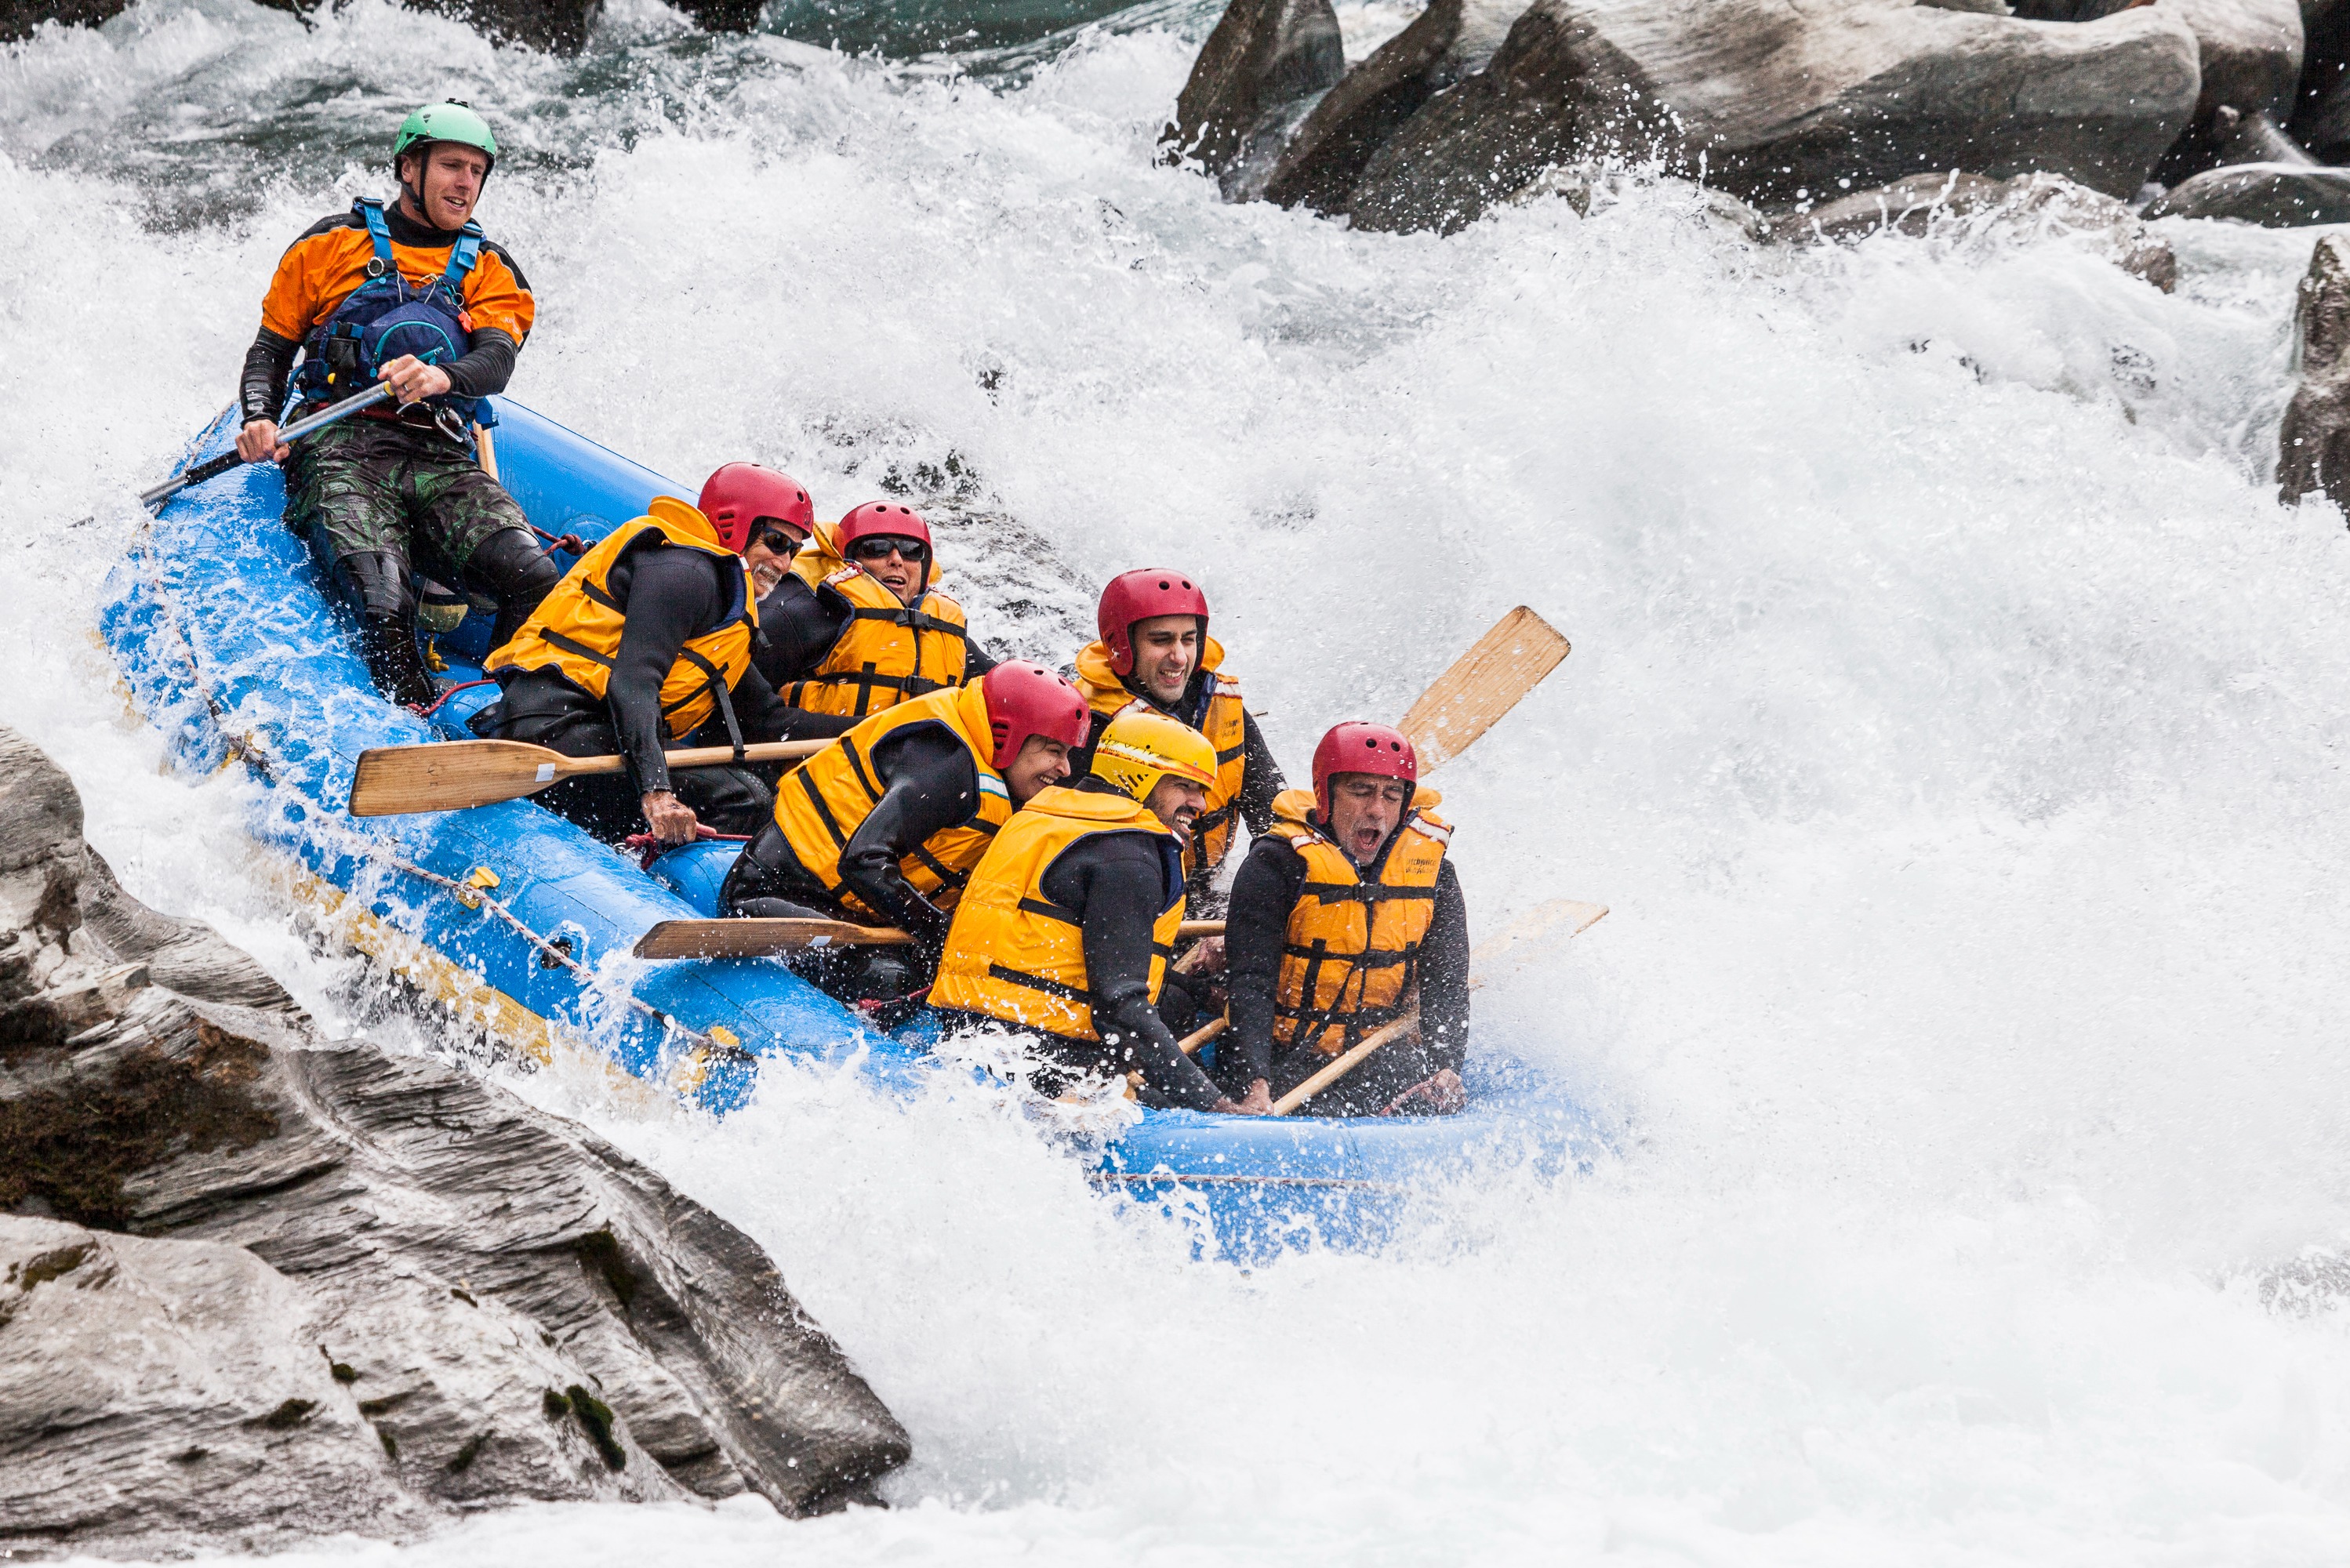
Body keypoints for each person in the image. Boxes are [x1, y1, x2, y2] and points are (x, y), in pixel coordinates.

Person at [235, 100, 558, 710]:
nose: (466, 183)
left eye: (477, 171)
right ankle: (406, 709)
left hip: (437, 452)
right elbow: (271, 350)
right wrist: (258, 417)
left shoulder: (490, 269)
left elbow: (496, 360)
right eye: (452, 166)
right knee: (384, 599)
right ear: (409, 168)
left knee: (535, 578)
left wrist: (441, 376)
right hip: (339, 447)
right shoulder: (331, 244)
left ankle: (510, 715)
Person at [474, 465, 852, 844]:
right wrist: (657, 793)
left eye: (795, 549)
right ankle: (637, 869)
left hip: (597, 733)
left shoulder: (727, 610)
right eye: (776, 542)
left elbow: (770, 721)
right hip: (551, 728)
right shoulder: (687, 572)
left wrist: (881, 727)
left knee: (755, 790)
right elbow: (633, 682)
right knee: (745, 796)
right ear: (735, 525)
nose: (784, 563)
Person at [931, 710, 1254, 1113]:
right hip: (1045, 1063)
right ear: (1137, 776)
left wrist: (1199, 991)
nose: (1200, 804)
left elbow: (1071, 950)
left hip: (972, 1040)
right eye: (1185, 786)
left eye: (1202, 790)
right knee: (1181, 1105)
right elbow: (1121, 1008)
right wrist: (1216, 1104)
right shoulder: (1128, 856)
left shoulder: (1044, 815)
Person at [718, 661, 1089, 1001]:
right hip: (773, 893)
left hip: (855, 910)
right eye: (1054, 751)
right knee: (892, 979)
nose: (1065, 769)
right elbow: (862, 861)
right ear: (1010, 736)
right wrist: (940, 932)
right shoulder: (946, 765)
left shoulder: (995, 778)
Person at [1218, 723, 1470, 1118]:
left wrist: (1446, 1066)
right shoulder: (1276, 864)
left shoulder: (1436, 874)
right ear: (1326, 795)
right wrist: (1256, 1081)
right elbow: (1251, 981)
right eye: (1361, 791)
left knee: (1422, 1092)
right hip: (1281, 1054)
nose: (1376, 810)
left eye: (1391, 795)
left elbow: (1447, 984)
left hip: (1372, 1054)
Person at [1069, 569, 1282, 913]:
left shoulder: (1221, 705)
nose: (1180, 657)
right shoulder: (1089, 722)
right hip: (1122, 898)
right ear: (1121, 645)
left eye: (1188, 639)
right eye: (1161, 640)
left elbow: (1273, 817)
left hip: (1201, 895)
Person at [755, 501, 997, 716]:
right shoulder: (807, 609)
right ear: (847, 559)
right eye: (876, 548)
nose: (897, 560)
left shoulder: (946, 631)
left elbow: (1006, 691)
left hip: (917, 762)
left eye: (912, 551)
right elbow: (743, 701)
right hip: (824, 760)